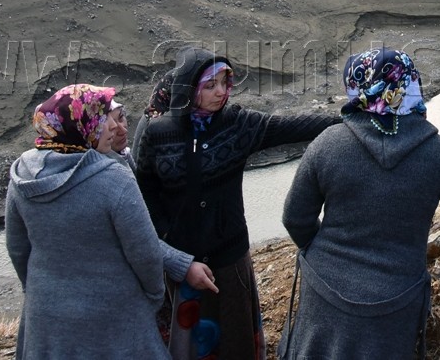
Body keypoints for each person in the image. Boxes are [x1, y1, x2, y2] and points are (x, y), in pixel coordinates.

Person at [279, 48, 440, 359]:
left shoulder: (327, 144)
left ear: (356, 86)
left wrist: (326, 254)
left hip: (323, 290)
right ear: (411, 83)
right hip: (395, 300)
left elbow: (295, 218)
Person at [135, 47, 339, 360]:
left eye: (225, 83)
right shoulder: (158, 134)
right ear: (189, 89)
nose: (222, 92)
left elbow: (290, 127)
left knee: (237, 341)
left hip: (230, 262)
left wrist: (344, 119)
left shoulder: (237, 124)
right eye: (211, 85)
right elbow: (146, 190)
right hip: (182, 266)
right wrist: (169, 238)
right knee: (190, 346)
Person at [6, 85, 175, 359]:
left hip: (45, 317)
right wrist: (153, 297)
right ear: (80, 125)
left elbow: (17, 248)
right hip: (113, 316)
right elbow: (145, 253)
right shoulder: (114, 179)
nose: (113, 126)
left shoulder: (22, 176)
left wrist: (39, 290)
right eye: (102, 118)